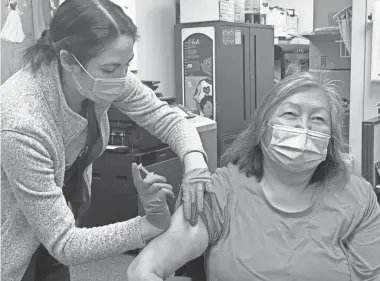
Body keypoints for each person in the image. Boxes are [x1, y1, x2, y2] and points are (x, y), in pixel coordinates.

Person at [0, 1, 212, 280]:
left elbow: (168, 119)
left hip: (59, 220)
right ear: (67, 59)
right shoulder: (22, 122)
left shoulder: (98, 76)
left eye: (128, 65)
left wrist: (195, 161)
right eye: (111, 68)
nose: (122, 78)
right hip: (12, 241)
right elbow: (66, 243)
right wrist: (149, 224)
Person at [127, 72, 380, 281]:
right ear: (262, 129)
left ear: (331, 138)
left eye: (318, 119)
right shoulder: (221, 191)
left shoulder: (357, 196)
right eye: (290, 114)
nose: (303, 128)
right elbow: (144, 270)